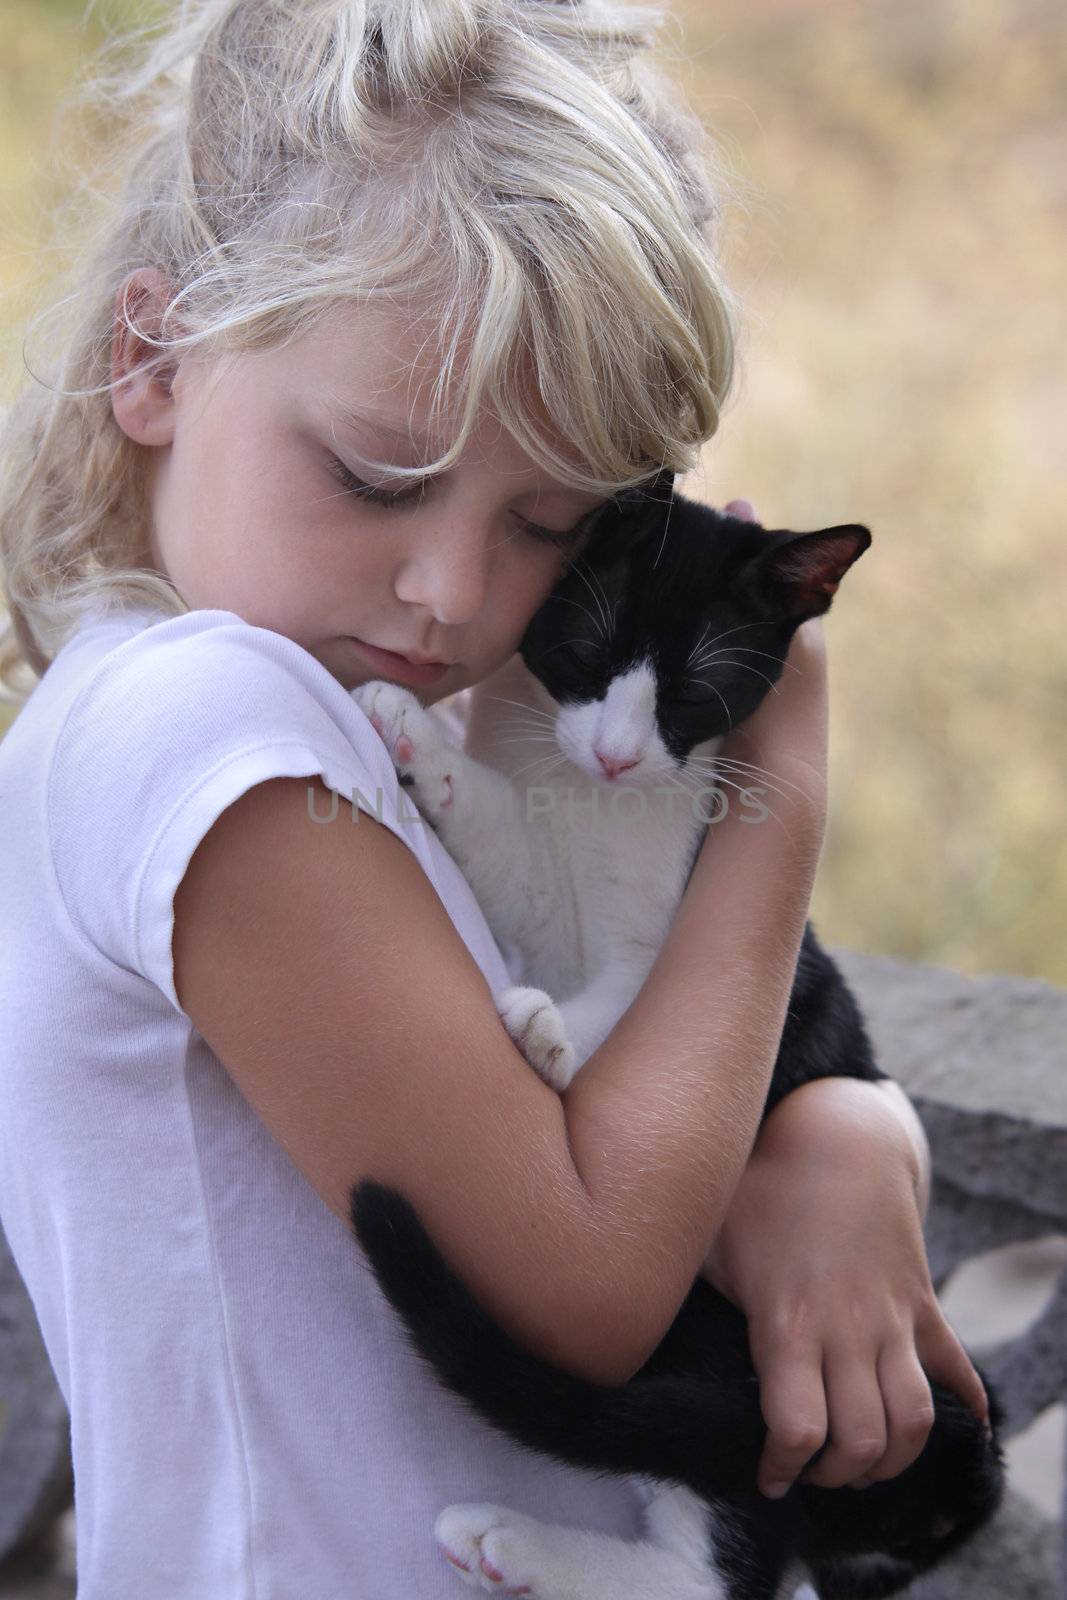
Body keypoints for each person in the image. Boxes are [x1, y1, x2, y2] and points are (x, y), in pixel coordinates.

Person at [0, 1, 988, 1595]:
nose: (454, 591)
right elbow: (586, 1278)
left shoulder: (339, 716)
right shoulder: (198, 721)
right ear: (156, 357)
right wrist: (778, 792)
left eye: (546, 522)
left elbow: (629, 1051)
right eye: (378, 479)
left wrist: (843, 1132)